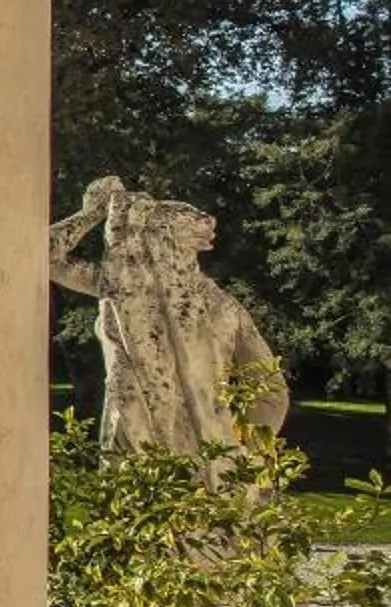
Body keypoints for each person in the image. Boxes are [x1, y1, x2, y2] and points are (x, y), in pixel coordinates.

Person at [48, 175, 287, 456]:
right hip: (209, 459)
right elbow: (272, 393)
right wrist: (249, 456)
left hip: (145, 465)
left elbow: (46, 255)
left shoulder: (122, 288)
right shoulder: (126, 288)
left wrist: (89, 215)